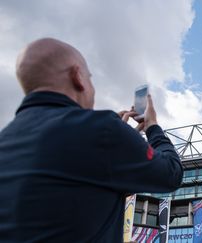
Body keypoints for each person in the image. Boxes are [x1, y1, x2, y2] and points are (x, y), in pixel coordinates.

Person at [0, 38, 183, 242]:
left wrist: (124, 140)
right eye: (90, 78)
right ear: (77, 76)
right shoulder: (103, 130)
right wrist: (153, 127)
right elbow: (171, 174)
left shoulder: (5, 140)